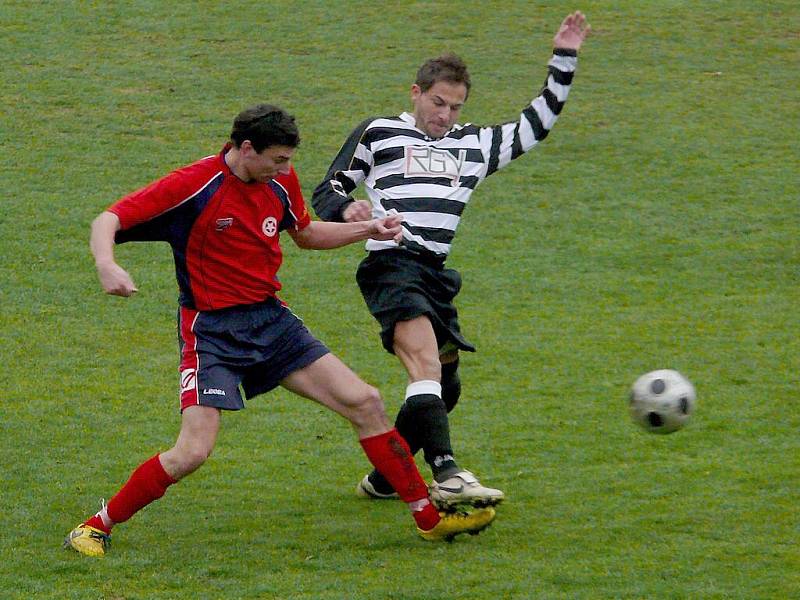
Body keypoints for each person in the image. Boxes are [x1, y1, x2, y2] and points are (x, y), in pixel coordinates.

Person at [64, 104, 497, 557]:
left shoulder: (277, 181)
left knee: (365, 402)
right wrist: (105, 263)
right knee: (192, 451)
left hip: (272, 323)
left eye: (288, 160)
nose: (286, 169)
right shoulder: (194, 185)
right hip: (212, 333)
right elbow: (107, 220)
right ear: (245, 148)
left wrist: (370, 228)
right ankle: (97, 525)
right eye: (278, 159)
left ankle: (430, 519)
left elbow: (305, 233)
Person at [312, 12, 591, 509]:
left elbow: (538, 123)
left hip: (436, 275)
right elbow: (328, 186)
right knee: (423, 363)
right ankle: (446, 473)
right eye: (438, 102)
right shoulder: (379, 132)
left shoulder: (474, 145)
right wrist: (347, 207)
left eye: (455, 106)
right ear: (415, 93)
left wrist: (563, 57)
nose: (444, 114)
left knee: (447, 382)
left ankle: (383, 477)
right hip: (391, 264)